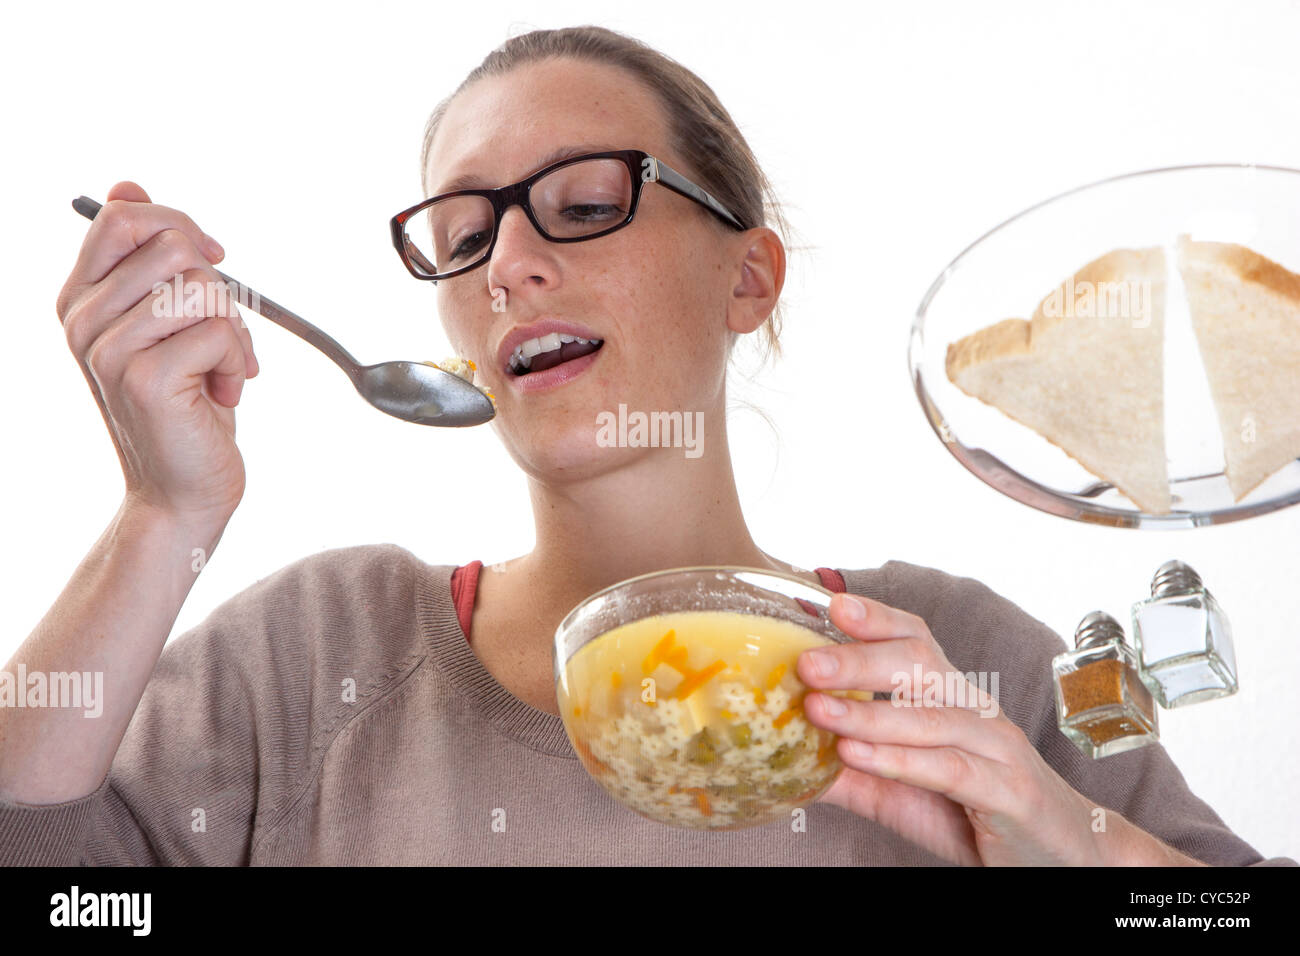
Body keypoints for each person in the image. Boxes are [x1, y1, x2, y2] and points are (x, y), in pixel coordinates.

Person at [0, 25, 1292, 867]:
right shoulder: (315, 654)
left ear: (751, 277)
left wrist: (1062, 838)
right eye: (462, 235)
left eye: (582, 204)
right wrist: (160, 521)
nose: (509, 263)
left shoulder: (967, 661)